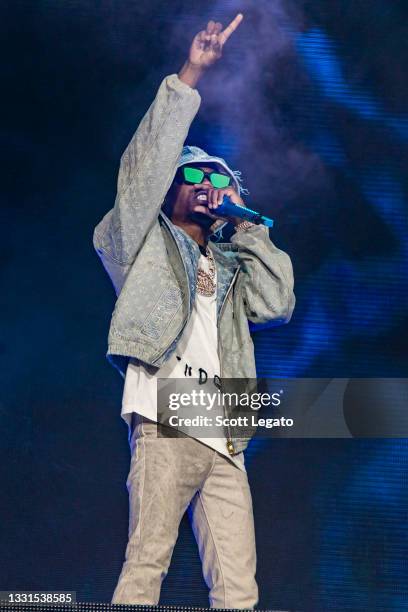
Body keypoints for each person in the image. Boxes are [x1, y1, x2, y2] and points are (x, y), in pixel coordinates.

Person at [93, 14, 295, 609]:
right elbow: (141, 174)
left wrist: (249, 226)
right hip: (164, 418)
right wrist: (191, 75)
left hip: (225, 435)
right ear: (173, 186)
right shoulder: (142, 244)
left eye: (222, 179)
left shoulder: (231, 266)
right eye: (199, 175)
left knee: (239, 593)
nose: (212, 185)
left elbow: (279, 301)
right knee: (146, 568)